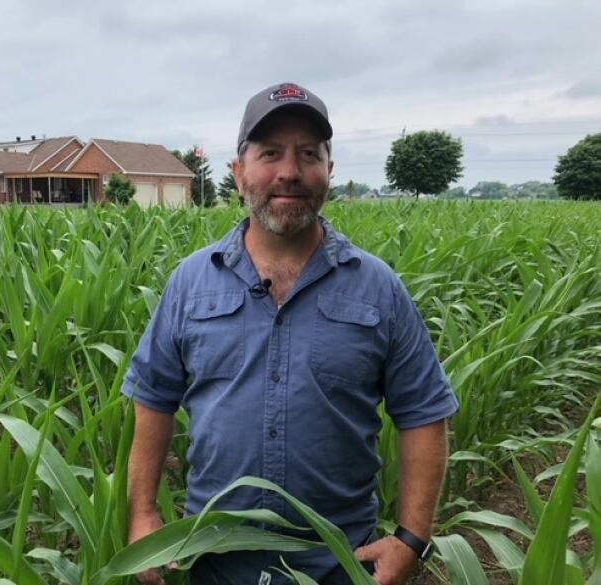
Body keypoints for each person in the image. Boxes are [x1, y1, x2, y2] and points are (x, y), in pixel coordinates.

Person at [122, 82, 459, 585]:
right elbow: (153, 398)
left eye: (308, 154)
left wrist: (412, 538)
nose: (289, 172)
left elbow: (424, 413)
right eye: (270, 154)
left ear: (329, 170)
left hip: (339, 563)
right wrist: (143, 514)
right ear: (239, 173)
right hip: (210, 559)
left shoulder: (377, 288)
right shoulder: (190, 282)